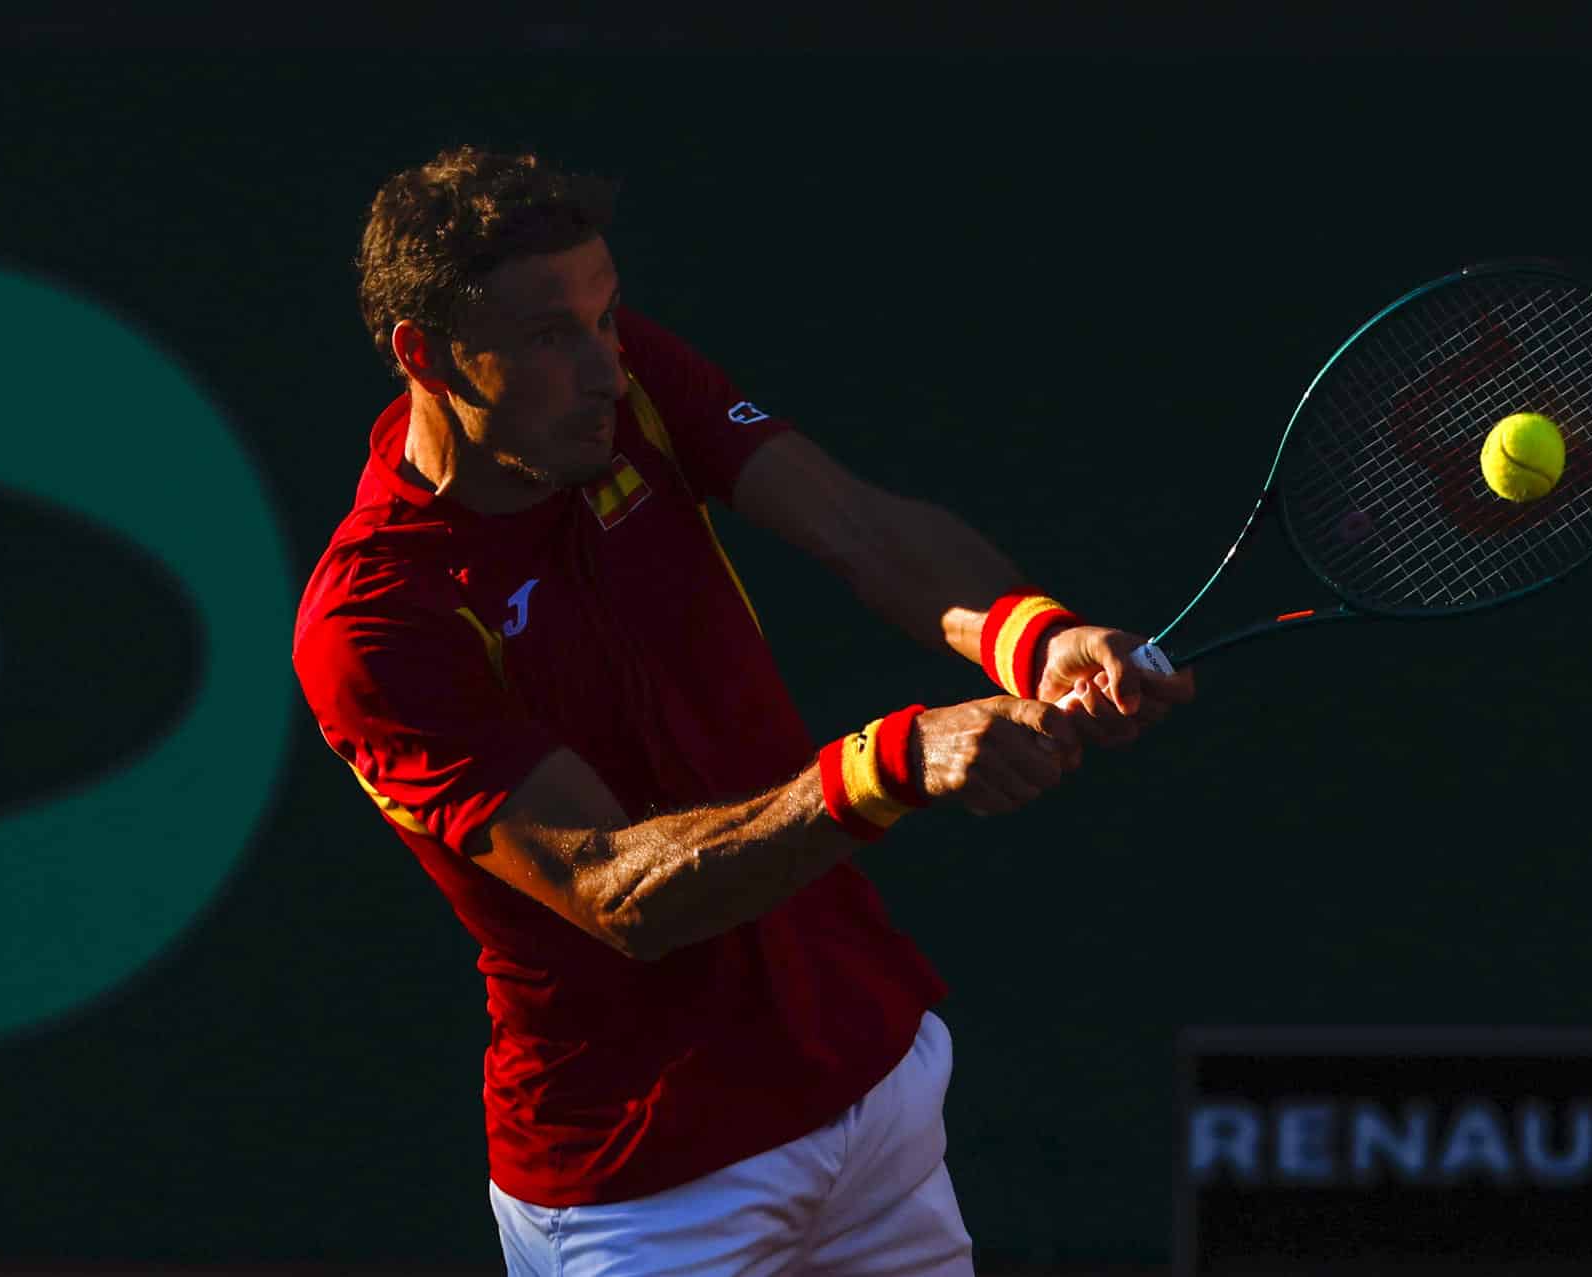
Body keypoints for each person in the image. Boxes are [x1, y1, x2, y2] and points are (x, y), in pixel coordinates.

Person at [291, 145, 1195, 1276]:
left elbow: (861, 530)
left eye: (607, 316)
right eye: (547, 336)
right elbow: (614, 886)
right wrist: (889, 762)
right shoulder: (377, 620)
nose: (603, 365)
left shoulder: (628, 392)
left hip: (865, 1081)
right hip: (648, 1185)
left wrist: (1039, 637)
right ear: (422, 356)